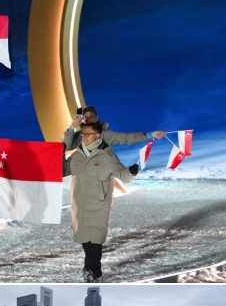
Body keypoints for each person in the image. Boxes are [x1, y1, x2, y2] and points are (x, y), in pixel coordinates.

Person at [69, 122, 139, 282]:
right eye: (83, 134)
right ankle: (91, 269)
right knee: (85, 239)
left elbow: (122, 174)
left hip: (98, 206)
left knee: (95, 240)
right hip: (80, 205)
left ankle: (92, 272)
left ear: (98, 136)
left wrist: (131, 172)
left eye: (88, 134)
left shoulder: (107, 157)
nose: (84, 137)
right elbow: (61, 168)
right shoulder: (77, 156)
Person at [62, 105, 165, 177]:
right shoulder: (80, 136)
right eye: (86, 117)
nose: (88, 119)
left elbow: (126, 138)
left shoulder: (106, 135)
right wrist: (72, 126)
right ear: (83, 119)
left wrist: (150, 135)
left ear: (96, 118)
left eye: (91, 116)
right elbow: (66, 146)